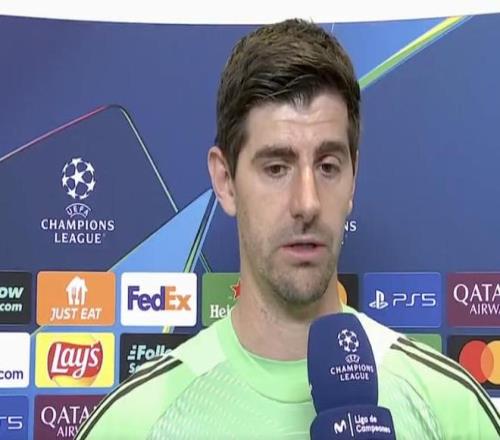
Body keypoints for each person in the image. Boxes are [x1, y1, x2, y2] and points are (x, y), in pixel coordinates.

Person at [76, 19, 500, 439]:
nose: (307, 203)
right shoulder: (137, 422)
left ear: (353, 178)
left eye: (328, 166)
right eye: (277, 168)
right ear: (225, 181)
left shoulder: (449, 409)